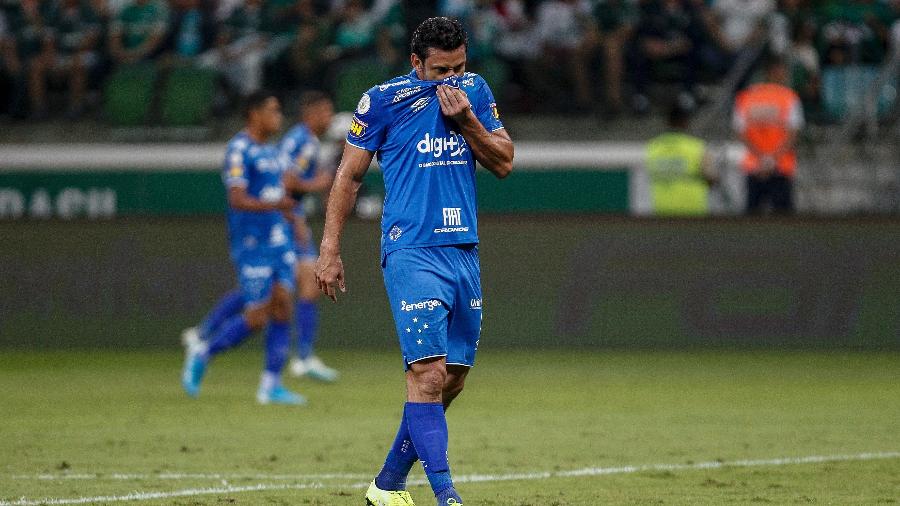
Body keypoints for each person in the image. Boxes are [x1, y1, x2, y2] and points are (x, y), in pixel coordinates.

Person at [315, 16, 513, 506]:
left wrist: (467, 120)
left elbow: (504, 161)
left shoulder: (474, 91)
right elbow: (348, 177)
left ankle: (386, 486)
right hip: (411, 250)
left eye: (459, 67)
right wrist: (329, 249)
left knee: (452, 379)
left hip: (462, 250)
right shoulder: (381, 101)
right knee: (426, 374)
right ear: (415, 63)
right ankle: (447, 497)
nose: (452, 79)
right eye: (441, 69)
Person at [181, 90, 306, 406]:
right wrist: (276, 204)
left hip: (279, 241)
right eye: (273, 110)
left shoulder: (275, 152)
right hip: (252, 245)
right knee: (256, 317)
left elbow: (278, 195)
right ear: (254, 113)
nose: (279, 117)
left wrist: (292, 220)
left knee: (283, 306)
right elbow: (237, 198)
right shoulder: (239, 149)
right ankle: (204, 351)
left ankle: (270, 385)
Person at [279, 90, 339, 382]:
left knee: (307, 286)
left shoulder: (305, 140)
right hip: (283, 219)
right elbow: (286, 180)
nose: (329, 119)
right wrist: (319, 183)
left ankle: (303, 357)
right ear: (311, 114)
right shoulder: (303, 142)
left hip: (289, 217)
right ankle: (205, 336)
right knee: (270, 292)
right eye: (326, 113)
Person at [732, 57, 804, 214]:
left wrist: (762, 158)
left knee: (752, 220)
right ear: (773, 71)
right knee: (783, 221)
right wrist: (771, 159)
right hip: (779, 166)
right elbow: (793, 133)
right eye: (782, 70)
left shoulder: (746, 97)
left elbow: (741, 132)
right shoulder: (788, 97)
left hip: (755, 166)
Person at [644, 103, 717, 215]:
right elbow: (710, 179)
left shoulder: (653, 147)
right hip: (692, 212)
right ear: (685, 122)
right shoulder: (697, 147)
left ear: (667, 122)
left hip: (662, 211)